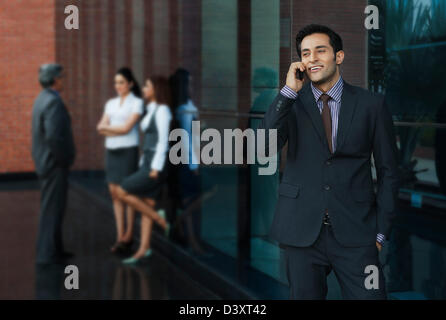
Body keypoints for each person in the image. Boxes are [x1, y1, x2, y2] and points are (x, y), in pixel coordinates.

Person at [259, 24, 400, 299]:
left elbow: (389, 172)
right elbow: (263, 148)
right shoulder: (292, 102)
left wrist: (381, 233)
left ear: (339, 56)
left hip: (357, 234)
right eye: (306, 53)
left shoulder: (371, 105)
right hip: (301, 232)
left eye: (320, 50)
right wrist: (288, 92)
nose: (312, 58)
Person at [113, 75, 172, 264]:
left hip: (156, 164)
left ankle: (160, 220)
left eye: (147, 86)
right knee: (146, 205)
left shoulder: (163, 110)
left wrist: (155, 168)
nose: (144, 89)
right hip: (147, 160)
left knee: (122, 190)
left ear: (156, 88)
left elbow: (163, 141)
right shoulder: (152, 108)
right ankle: (143, 250)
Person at [31, 63, 76, 265]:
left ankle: (54, 250)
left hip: (46, 163)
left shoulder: (41, 99)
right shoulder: (52, 102)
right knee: (52, 209)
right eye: (62, 76)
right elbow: (54, 137)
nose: (64, 80)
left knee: (53, 208)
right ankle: (46, 255)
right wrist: (64, 159)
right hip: (54, 165)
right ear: (55, 79)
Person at [97, 67, 144, 254]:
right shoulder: (110, 103)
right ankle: (120, 236)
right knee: (114, 193)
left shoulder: (137, 103)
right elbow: (100, 127)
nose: (118, 86)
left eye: (121, 82)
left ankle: (129, 235)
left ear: (130, 84)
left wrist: (109, 128)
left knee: (128, 193)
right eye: (116, 82)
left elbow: (127, 129)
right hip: (112, 151)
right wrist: (112, 128)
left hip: (127, 151)